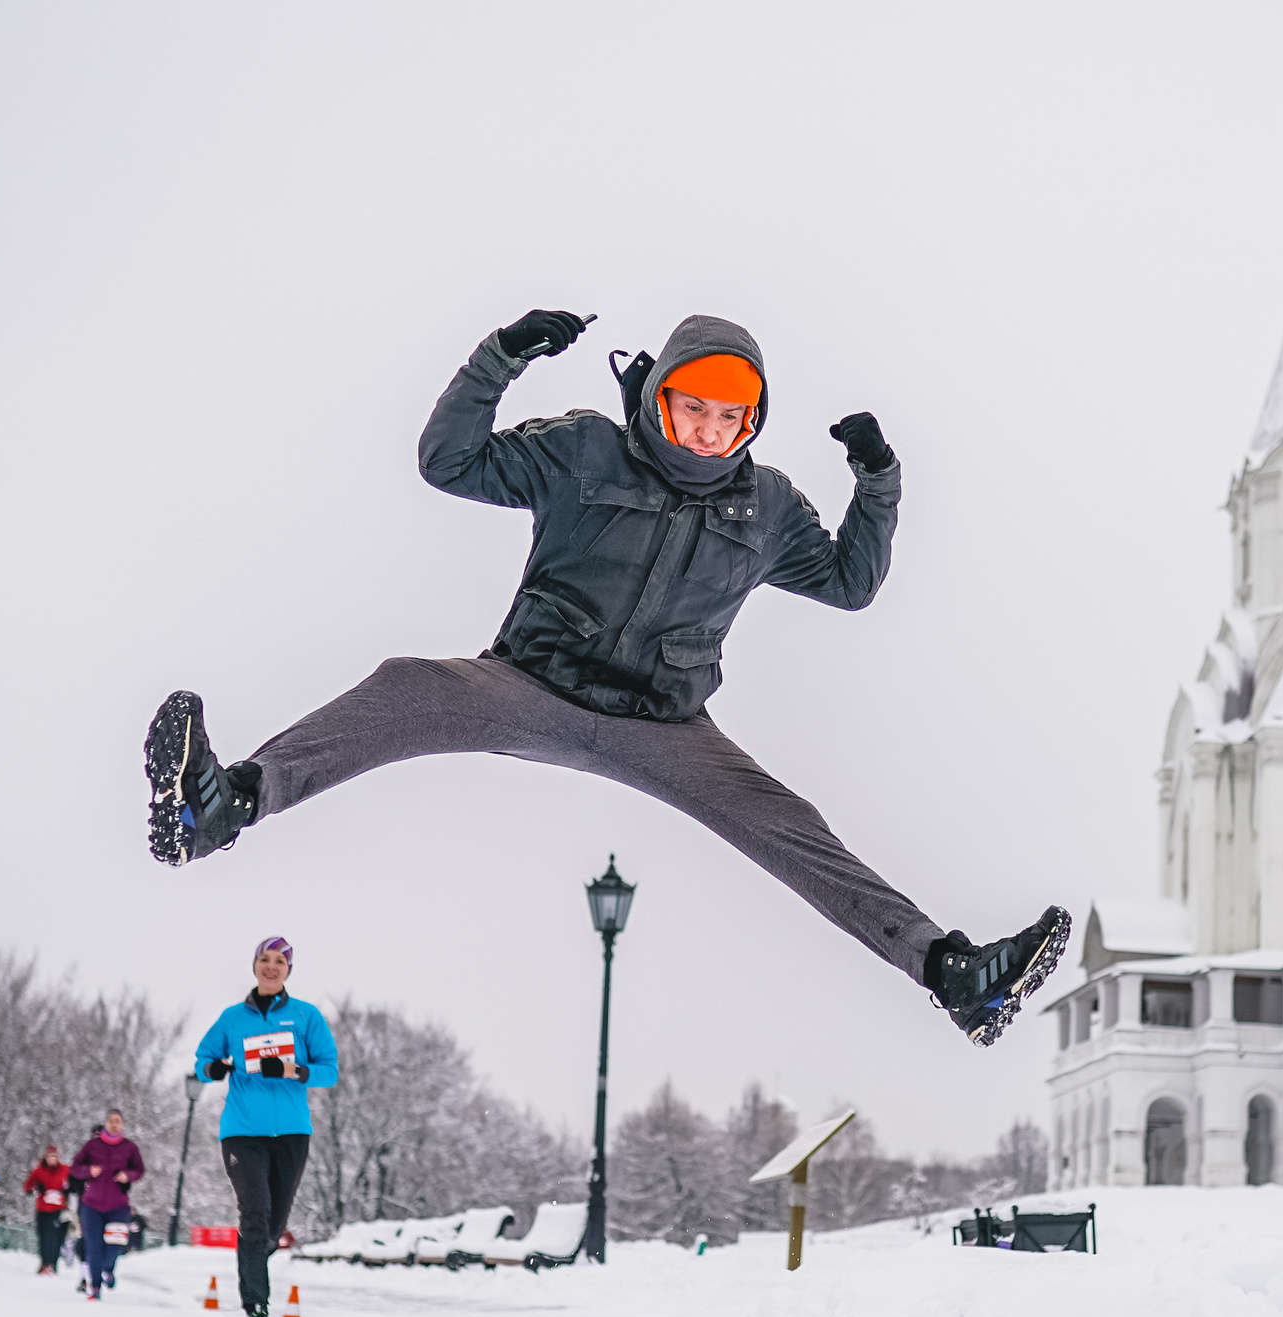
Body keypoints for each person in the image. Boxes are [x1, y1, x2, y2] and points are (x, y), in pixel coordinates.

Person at [142, 309, 1068, 1046]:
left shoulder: (769, 505)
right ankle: (219, 806)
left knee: (790, 827)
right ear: (659, 397)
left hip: (666, 727)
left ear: (751, 423)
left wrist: (879, 481)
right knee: (409, 688)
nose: (707, 433)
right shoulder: (585, 449)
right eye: (692, 409)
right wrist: (497, 360)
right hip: (531, 687)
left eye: (728, 419)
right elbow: (449, 462)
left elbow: (851, 584)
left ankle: (953, 976)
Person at [194, 937, 337, 1317]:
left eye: (279, 961)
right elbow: (203, 1060)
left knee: (273, 1226)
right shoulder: (232, 1018)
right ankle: (256, 1310)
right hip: (242, 1132)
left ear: (289, 969)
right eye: (264, 959)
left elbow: (329, 1070)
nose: (271, 967)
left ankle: (255, 1253)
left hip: (292, 1132)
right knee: (254, 1215)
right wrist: (215, 1070)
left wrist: (293, 1071)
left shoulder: (306, 1017)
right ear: (254, 965)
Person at [69, 1114, 145, 1301]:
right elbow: (75, 1167)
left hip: (118, 1205)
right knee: (92, 1246)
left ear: (122, 1125)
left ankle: (107, 1269)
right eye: (111, 1121)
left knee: (115, 1244)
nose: (114, 1124)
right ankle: (95, 1287)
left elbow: (140, 1170)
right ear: (106, 1124)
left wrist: (127, 1175)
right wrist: (89, 1171)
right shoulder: (92, 1146)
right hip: (91, 1205)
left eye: (118, 1121)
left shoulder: (129, 1147)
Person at [24, 1145, 71, 1275]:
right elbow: (28, 1186)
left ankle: (51, 1263)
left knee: (54, 1237)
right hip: (42, 1208)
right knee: (42, 1235)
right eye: (50, 1157)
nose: (52, 1159)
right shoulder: (39, 1171)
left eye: (54, 1157)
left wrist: (68, 1191)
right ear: (46, 1157)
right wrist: (37, 1189)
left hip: (58, 1209)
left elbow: (74, 1183)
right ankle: (44, 1262)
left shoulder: (65, 1170)